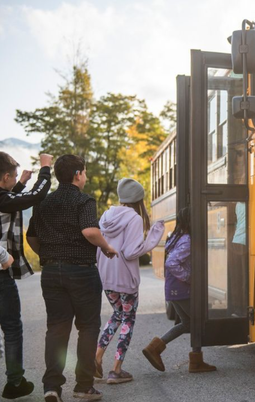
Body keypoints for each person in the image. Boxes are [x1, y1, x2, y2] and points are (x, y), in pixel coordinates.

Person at [26, 155, 118, 402]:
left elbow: (32, 236)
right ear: (78, 174)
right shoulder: (84, 200)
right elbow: (89, 231)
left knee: (57, 328)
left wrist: (47, 254)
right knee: (87, 326)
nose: (85, 177)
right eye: (85, 173)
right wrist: (107, 248)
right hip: (81, 271)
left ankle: (51, 387)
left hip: (51, 272)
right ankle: (83, 386)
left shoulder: (43, 203)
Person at [94, 178, 165, 384]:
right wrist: (153, 238)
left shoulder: (106, 215)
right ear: (138, 200)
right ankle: (116, 370)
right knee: (128, 319)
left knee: (117, 315)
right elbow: (131, 251)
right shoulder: (134, 218)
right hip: (125, 278)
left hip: (106, 276)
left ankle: (96, 359)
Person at [0, 151, 53, 400]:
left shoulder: (3, 196)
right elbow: (35, 196)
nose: (13, 185)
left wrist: (20, 182)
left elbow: (10, 201)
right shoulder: (2, 196)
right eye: (11, 180)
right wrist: (45, 168)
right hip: (0, 273)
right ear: (4, 178)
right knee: (11, 327)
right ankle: (15, 383)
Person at [142, 207, 216, 373]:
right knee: (197, 320)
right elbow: (171, 263)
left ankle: (158, 349)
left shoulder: (176, 236)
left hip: (173, 289)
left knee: (188, 323)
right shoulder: (187, 240)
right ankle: (194, 360)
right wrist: (190, 277)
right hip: (181, 290)